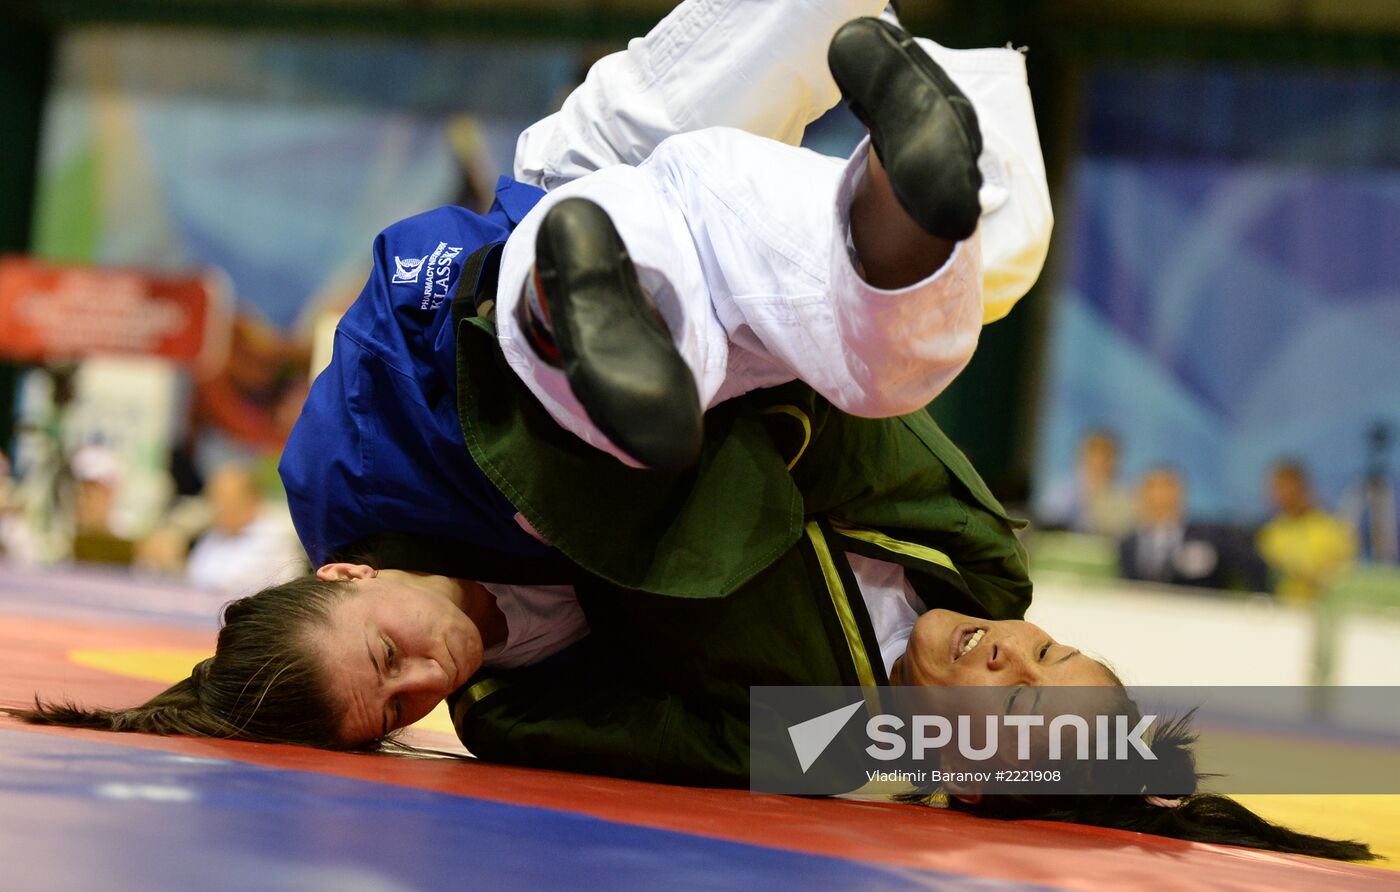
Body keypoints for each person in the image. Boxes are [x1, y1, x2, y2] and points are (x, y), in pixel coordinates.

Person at [6, 8, 1370, 864]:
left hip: (578, 224)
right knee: (994, 243)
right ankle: (903, 192)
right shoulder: (981, 569)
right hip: (745, 301)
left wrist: (900, 761)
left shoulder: (799, 721)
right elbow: (877, 443)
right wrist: (1081, 741)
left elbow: (603, 720)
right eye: (1057, 653)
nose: (1020, 650)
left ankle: (598, 300)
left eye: (1012, 699)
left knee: (610, 371)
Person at [1117, 467, 1267, 592]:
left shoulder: (1209, 537)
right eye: (1151, 487)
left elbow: (1253, 565)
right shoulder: (1127, 544)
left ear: (1180, 493)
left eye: (1167, 486)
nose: (1159, 495)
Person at [1257, 460, 1358, 605]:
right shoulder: (1270, 532)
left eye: (1282, 486)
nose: (1276, 494)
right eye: (1274, 488)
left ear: (1300, 487)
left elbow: (1345, 577)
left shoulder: (1332, 529)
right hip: (1280, 614)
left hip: (1324, 612)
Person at [1038, 429, 1135, 537]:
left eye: (1105, 458)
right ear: (1083, 457)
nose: (1099, 463)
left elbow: (1125, 529)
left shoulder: (1124, 493)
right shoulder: (1062, 487)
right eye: (1095, 456)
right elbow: (1049, 519)